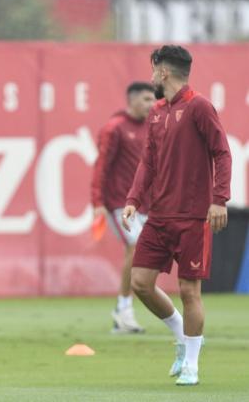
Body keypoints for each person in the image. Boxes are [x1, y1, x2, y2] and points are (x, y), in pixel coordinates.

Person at [123, 45, 232, 386]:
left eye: (153, 70)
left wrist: (219, 200)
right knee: (140, 283)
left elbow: (222, 152)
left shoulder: (199, 106)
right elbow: (148, 162)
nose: (152, 77)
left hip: (193, 217)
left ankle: (192, 366)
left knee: (189, 291)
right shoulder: (156, 112)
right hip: (158, 216)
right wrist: (134, 198)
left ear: (163, 72)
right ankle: (182, 338)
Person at [91, 82, 155, 334]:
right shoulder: (114, 128)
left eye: (154, 100)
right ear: (132, 100)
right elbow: (101, 167)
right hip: (119, 203)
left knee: (147, 255)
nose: (151, 105)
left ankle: (125, 309)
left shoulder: (152, 128)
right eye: (147, 100)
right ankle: (123, 309)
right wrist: (97, 203)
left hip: (146, 204)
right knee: (136, 246)